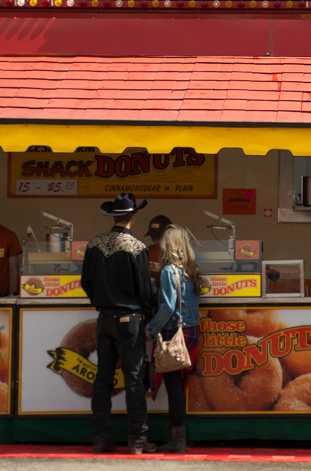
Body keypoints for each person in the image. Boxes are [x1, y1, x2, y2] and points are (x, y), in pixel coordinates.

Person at [81, 192, 157, 455]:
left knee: (102, 381)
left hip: (104, 319)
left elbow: (86, 284)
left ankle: (100, 440)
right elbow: (145, 291)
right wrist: (148, 317)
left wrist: (102, 302)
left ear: (113, 216)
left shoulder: (94, 245)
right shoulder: (138, 248)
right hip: (131, 321)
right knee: (134, 380)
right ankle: (137, 441)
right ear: (134, 216)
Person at [146, 224, 201, 453]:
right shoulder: (192, 269)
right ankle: (179, 437)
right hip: (192, 332)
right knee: (181, 387)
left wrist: (150, 329)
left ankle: (177, 440)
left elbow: (168, 307)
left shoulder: (169, 271)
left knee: (173, 388)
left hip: (173, 333)